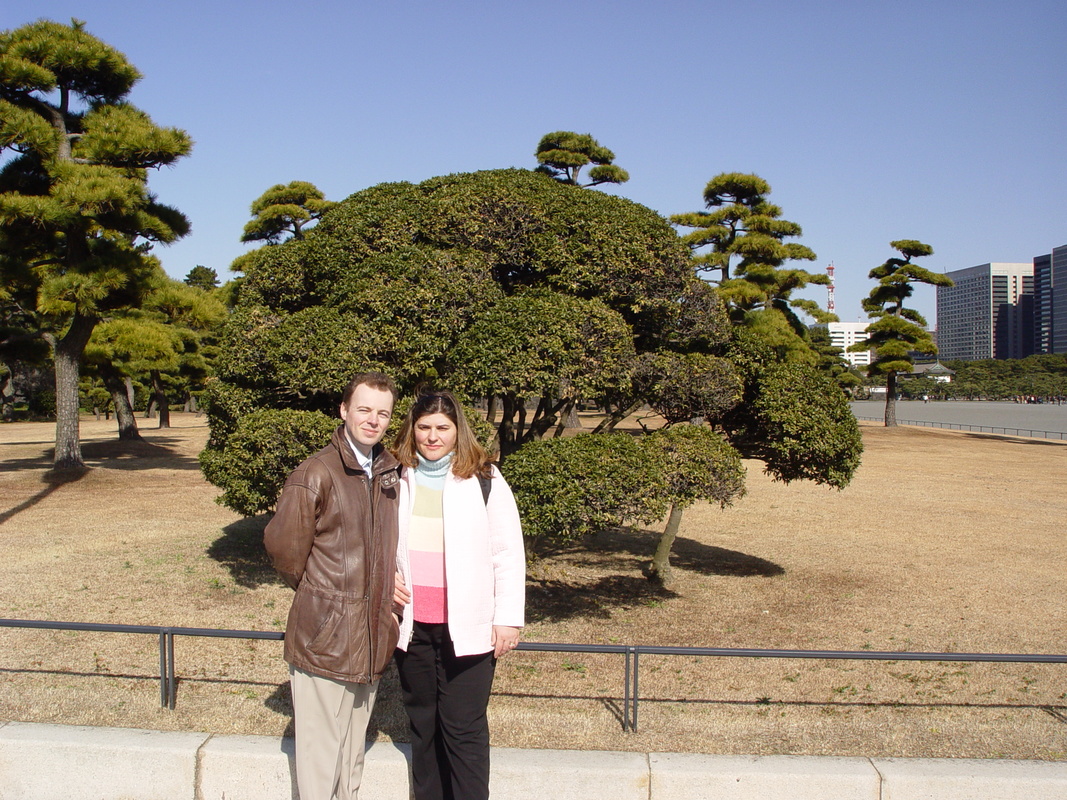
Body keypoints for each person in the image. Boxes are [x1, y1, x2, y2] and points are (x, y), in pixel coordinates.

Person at [263, 371, 401, 800]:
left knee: (351, 754)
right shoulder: (316, 473)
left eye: (382, 413)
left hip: (372, 634)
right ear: (343, 410)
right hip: (326, 638)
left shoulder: (388, 470)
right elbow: (285, 551)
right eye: (363, 409)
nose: (373, 420)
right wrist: (328, 599)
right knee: (322, 759)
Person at [392, 390, 526, 800]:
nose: (433, 437)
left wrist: (507, 617)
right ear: (412, 431)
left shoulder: (485, 478)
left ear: (457, 431)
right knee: (423, 725)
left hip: (468, 627)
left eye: (442, 428)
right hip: (412, 626)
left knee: (463, 727)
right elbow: (372, 542)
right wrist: (383, 582)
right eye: (424, 427)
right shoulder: (393, 477)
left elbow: (508, 552)